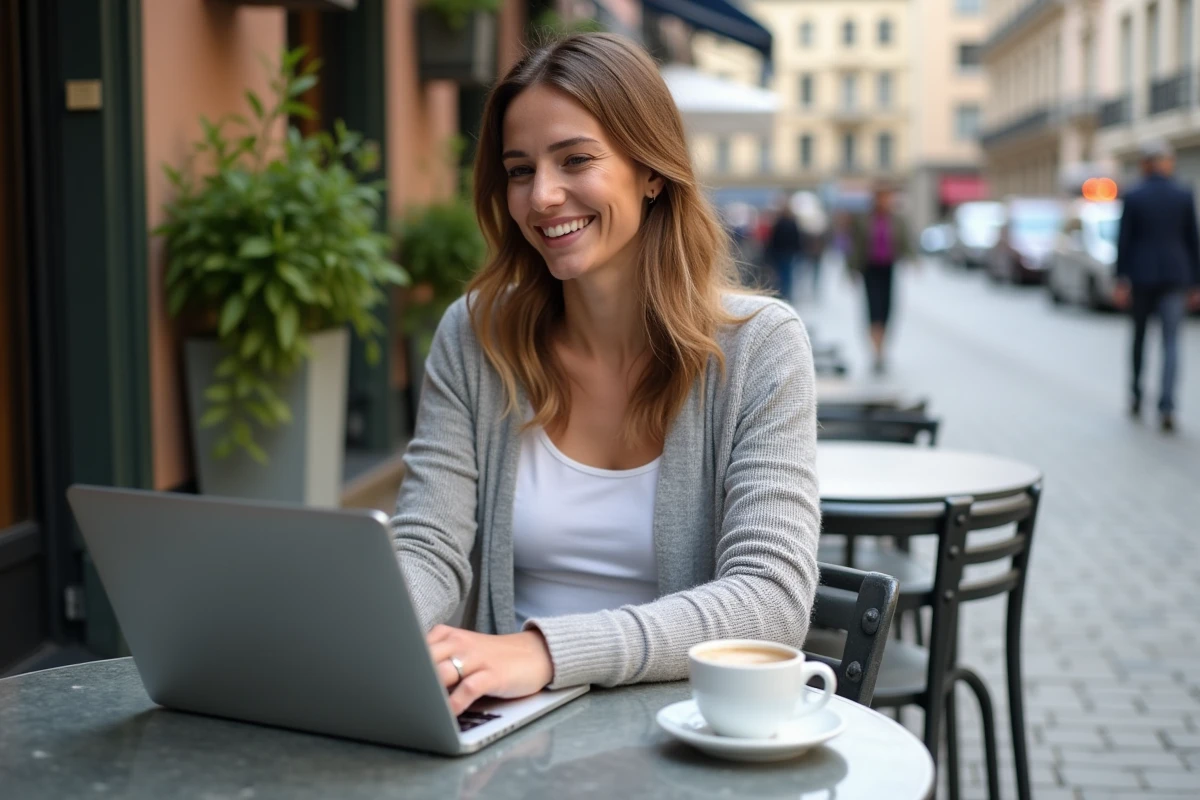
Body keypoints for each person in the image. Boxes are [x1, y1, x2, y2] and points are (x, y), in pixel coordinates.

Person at [389, 33, 821, 717]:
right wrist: (365, 630)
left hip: (683, 733)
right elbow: (429, 546)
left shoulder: (761, 349)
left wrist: (548, 652)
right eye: (520, 170)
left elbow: (770, 599)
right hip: (506, 727)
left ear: (651, 170)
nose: (543, 196)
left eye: (576, 160)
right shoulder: (476, 336)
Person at [1114, 138, 1200, 432]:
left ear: (1145, 164)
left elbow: (1123, 241)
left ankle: (1137, 395)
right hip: (1176, 277)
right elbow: (1193, 241)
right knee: (1171, 342)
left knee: (1139, 338)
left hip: (1142, 277)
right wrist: (1195, 282)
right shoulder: (1183, 194)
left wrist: (1120, 279)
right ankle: (1167, 405)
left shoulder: (1135, 195)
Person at [848, 184, 912, 374]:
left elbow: (905, 242)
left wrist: (913, 259)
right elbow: (855, 246)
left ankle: (882, 350)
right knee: (873, 310)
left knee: (887, 310)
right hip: (870, 269)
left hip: (889, 269)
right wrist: (851, 269)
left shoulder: (897, 220)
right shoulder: (863, 219)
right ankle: (876, 353)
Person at [764, 195, 804, 303]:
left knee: (782, 273)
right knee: (787, 273)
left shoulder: (779, 223)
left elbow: (773, 239)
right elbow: (797, 238)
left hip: (781, 252)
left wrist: (770, 252)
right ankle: (786, 293)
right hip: (788, 252)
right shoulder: (791, 222)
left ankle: (783, 292)